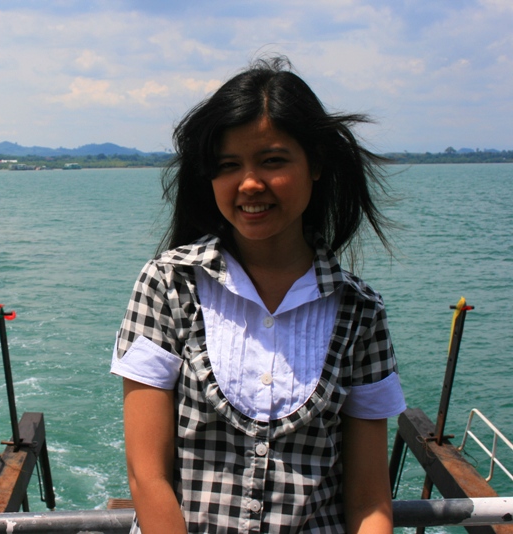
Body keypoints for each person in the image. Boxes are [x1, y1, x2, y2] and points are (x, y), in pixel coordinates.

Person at [110, 56, 406, 534]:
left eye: (272, 160)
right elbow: (148, 476)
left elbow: (370, 501)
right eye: (228, 165)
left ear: (316, 164)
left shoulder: (359, 311)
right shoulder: (169, 284)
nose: (249, 183)